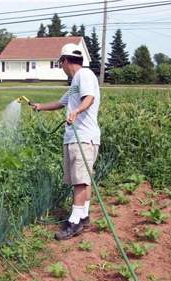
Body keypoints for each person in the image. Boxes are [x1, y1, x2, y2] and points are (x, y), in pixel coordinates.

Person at [31, 43, 101, 240]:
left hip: (83, 137)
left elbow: (89, 98)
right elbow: (61, 103)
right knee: (83, 180)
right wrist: (40, 107)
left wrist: (77, 111)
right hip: (79, 138)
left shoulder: (83, 75)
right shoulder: (75, 82)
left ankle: (74, 222)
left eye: (60, 62)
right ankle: (84, 217)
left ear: (65, 61)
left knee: (80, 181)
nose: (61, 66)